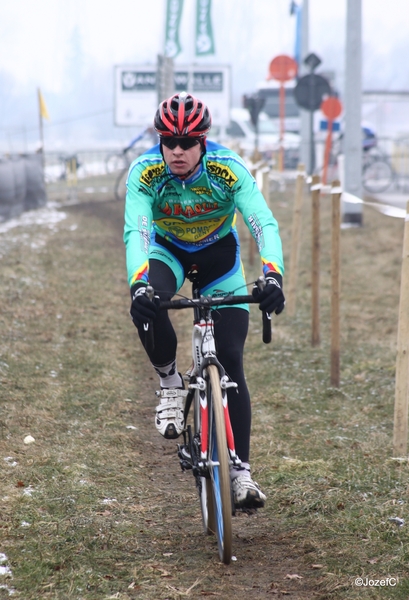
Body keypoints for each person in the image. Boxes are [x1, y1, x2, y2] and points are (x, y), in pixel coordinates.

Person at [123, 91, 285, 509]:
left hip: (219, 259)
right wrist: (139, 284)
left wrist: (272, 275)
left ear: (203, 142)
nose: (177, 151)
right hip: (168, 253)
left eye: (187, 143)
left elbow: (261, 221)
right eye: (169, 142)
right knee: (150, 301)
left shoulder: (227, 169)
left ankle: (241, 472)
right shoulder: (144, 172)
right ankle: (170, 383)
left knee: (230, 358)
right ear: (159, 141)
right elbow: (137, 232)